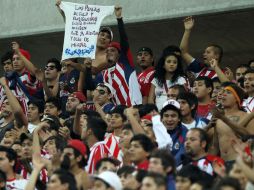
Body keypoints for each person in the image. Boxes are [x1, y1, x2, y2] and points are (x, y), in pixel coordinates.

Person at [94, 7, 142, 106]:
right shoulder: (103, 74)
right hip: (118, 115)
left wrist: (119, 19)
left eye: (113, 50)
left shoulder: (125, 64)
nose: (109, 52)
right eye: (107, 51)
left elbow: (124, 41)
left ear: (119, 54)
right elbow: (90, 87)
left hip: (134, 108)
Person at [160, 100, 188, 166]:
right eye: (166, 116)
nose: (169, 119)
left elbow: (182, 154)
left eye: (173, 116)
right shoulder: (154, 132)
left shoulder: (185, 132)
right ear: (161, 119)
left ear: (179, 118)